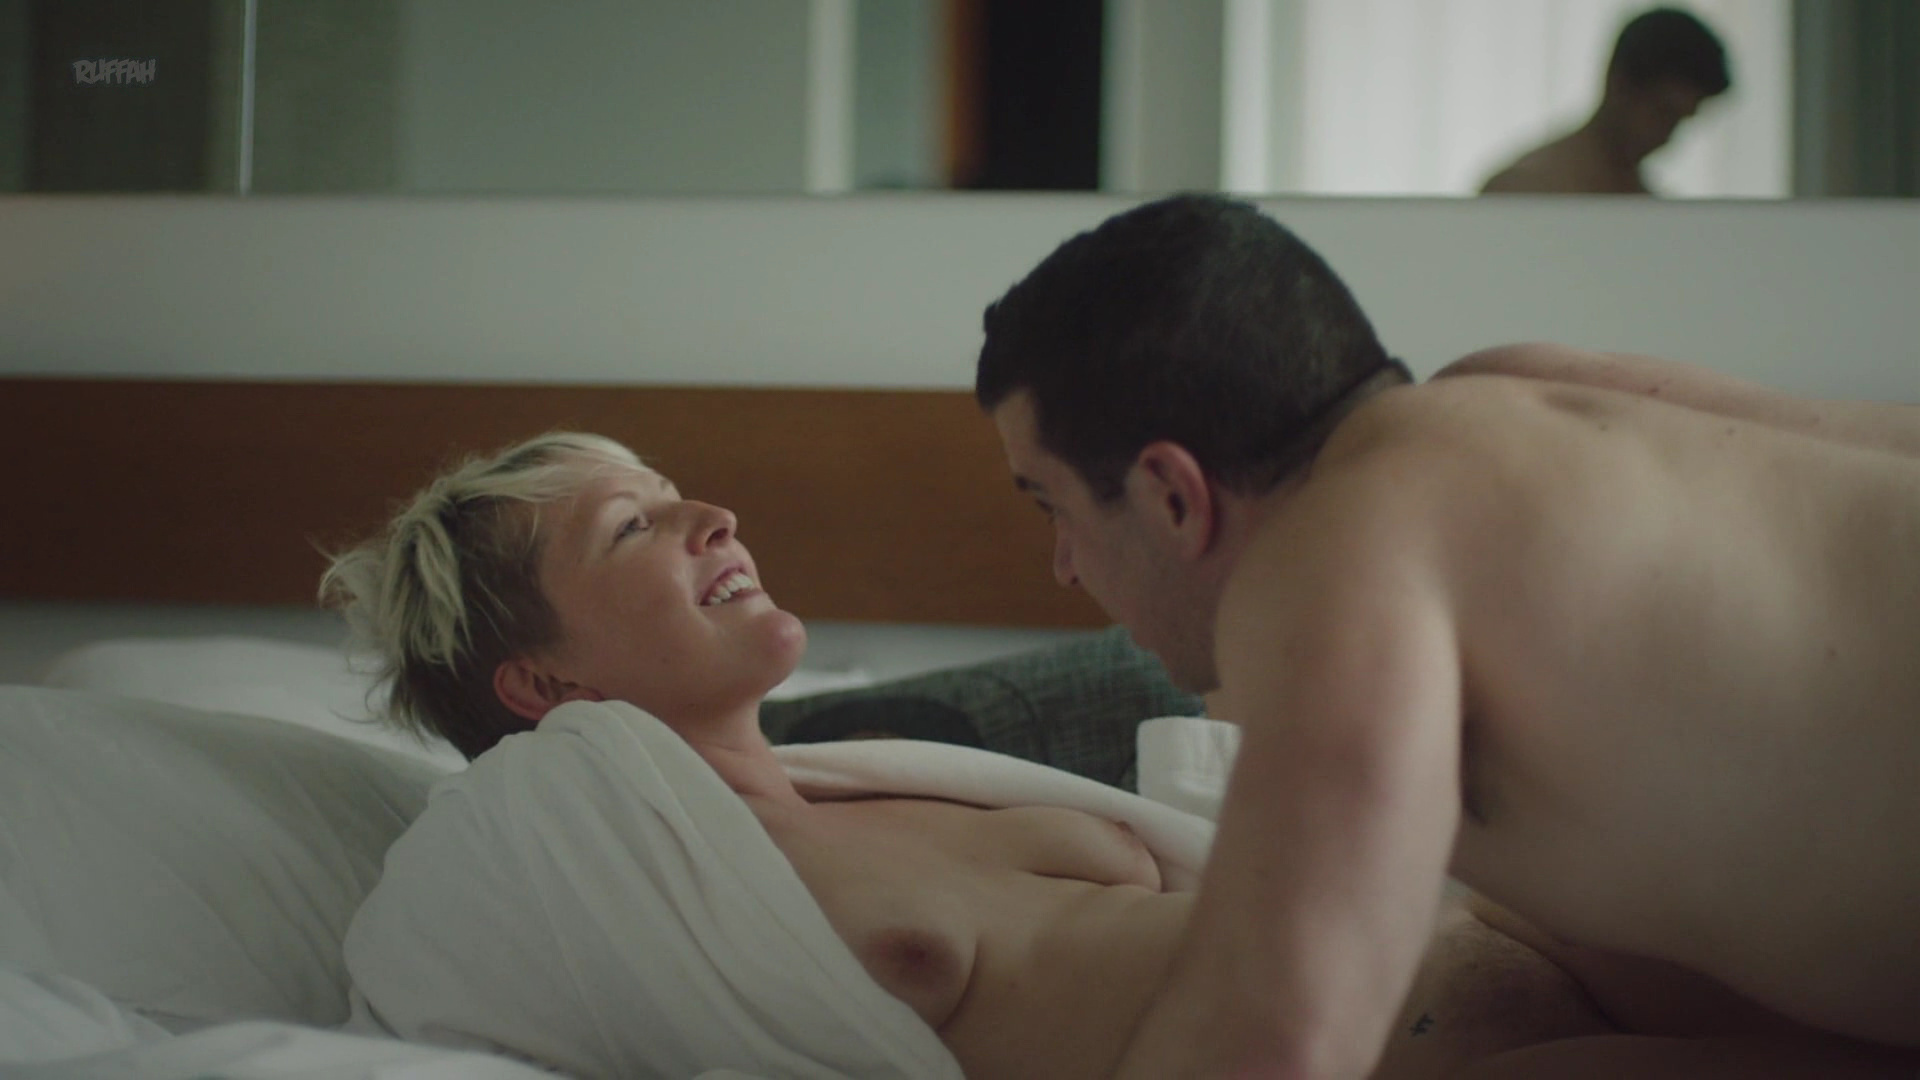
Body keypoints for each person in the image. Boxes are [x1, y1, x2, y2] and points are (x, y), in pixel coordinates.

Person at [324, 432, 1663, 1079]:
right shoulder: (543, 852)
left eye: (676, 495)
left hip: (1505, 935)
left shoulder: (895, 773)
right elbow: (427, 997)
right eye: (633, 527)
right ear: (544, 685)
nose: (713, 515)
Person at [976, 192, 1920, 1078]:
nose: (1065, 565)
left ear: (1172, 497)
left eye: (1051, 505)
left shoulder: (1339, 544)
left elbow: (1276, 1041)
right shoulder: (1520, 395)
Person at [1480, 7, 1730, 195]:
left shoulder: (1652, 209)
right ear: (1619, 83)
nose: (1666, 136)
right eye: (1663, 113)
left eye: (1680, 121)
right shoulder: (1522, 192)